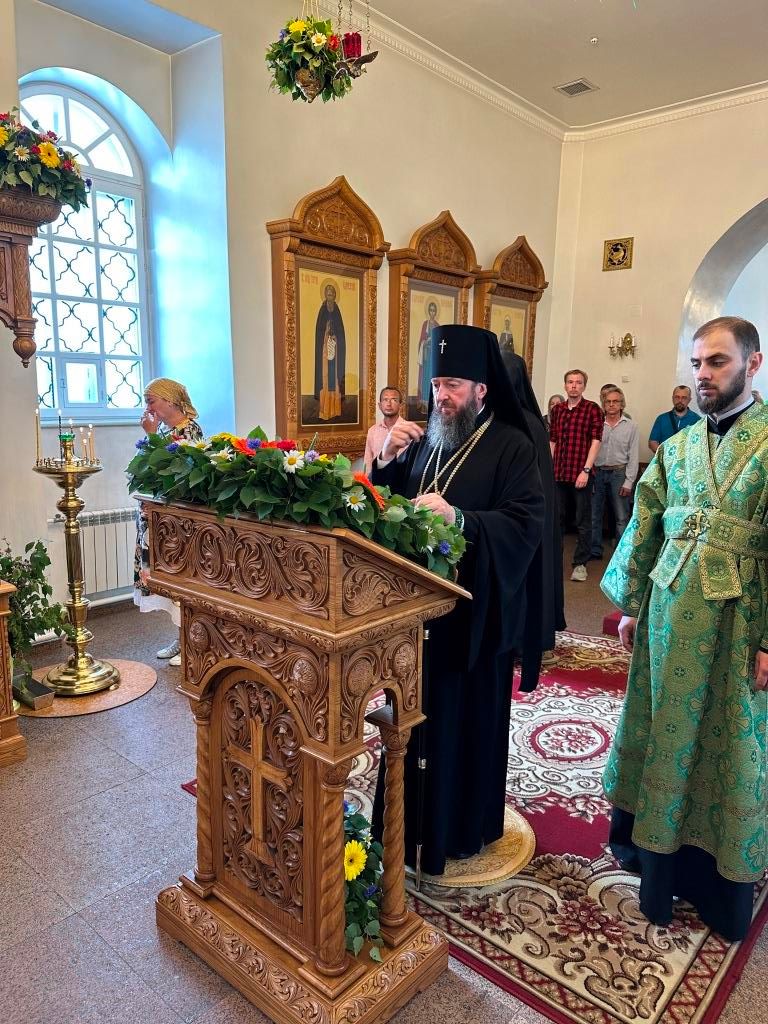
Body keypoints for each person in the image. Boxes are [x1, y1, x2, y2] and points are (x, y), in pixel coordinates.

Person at [602, 315, 768, 942]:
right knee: (660, 729)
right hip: (669, 613)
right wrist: (630, 606)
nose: (703, 375)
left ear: (752, 364)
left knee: (731, 743)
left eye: (717, 362)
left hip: (739, 620)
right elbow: (645, 521)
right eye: (697, 363)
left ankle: (715, 883)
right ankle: (652, 858)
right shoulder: (677, 446)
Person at [371, 324, 545, 875]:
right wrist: (385, 461)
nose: (440, 396)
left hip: (476, 618)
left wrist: (462, 519)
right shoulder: (426, 440)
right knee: (413, 722)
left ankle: (462, 830)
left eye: (452, 385)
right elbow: (389, 505)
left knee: (464, 724)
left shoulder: (513, 446)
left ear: (481, 390)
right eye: (435, 384)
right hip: (419, 615)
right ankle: (408, 825)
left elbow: (527, 524)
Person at [503, 351, 566, 688]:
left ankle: (522, 642)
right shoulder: (526, 420)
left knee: (526, 581)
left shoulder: (522, 422)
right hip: (521, 516)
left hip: (523, 517)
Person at [133, 378, 203, 666]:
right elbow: (145, 468)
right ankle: (180, 638)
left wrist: (150, 436)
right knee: (164, 577)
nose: (148, 408)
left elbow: (174, 473)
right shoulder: (165, 430)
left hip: (175, 517)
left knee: (179, 578)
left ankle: (189, 644)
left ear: (170, 400)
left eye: (152, 401)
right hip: (155, 513)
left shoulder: (189, 430)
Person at [548, 369, 603, 582]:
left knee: (583, 521)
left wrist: (586, 470)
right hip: (559, 472)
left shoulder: (592, 409)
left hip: (581, 473)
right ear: (565, 385)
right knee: (557, 520)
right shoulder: (558, 410)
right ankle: (554, 561)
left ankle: (580, 564)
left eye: (578, 382)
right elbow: (553, 440)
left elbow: (596, 441)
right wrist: (549, 468)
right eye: (570, 382)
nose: (573, 386)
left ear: (583, 386)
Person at [590, 388, 639, 561]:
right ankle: (595, 550)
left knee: (621, 516)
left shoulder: (631, 426)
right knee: (594, 515)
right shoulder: (596, 424)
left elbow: (634, 456)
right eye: (608, 401)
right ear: (604, 404)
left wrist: (629, 481)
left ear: (621, 404)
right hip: (597, 473)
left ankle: (620, 553)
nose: (611, 404)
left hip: (619, 473)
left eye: (615, 401)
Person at [314, 283, 346, 421]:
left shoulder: (337, 311)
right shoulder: (322, 311)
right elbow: (319, 332)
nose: (330, 296)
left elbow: (341, 333)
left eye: (332, 294)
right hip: (324, 353)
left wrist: (335, 337)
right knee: (325, 378)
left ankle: (335, 410)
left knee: (335, 379)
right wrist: (327, 334)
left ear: (335, 296)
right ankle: (325, 410)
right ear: (325, 295)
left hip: (335, 353)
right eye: (328, 294)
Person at [363, 386, 405, 475]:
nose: (389, 404)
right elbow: (368, 463)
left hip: (403, 481)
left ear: (400, 405)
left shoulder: (409, 430)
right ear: (380, 405)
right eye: (385, 400)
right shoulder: (372, 431)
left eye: (394, 400)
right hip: (377, 481)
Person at [648, 385, 699, 453]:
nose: (680, 400)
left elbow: (699, 445)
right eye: (677, 397)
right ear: (672, 398)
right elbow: (652, 442)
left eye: (684, 398)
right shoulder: (661, 419)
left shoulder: (698, 420)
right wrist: (665, 455)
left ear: (689, 400)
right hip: (664, 458)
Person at [416, 301, 439, 413]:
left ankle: (433, 405)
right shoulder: (425, 324)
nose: (432, 313)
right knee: (425, 379)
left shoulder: (437, 325)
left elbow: (440, 342)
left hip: (433, 357)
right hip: (426, 357)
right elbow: (421, 341)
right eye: (430, 310)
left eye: (434, 310)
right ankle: (424, 405)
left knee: (432, 379)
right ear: (428, 311)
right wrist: (426, 341)